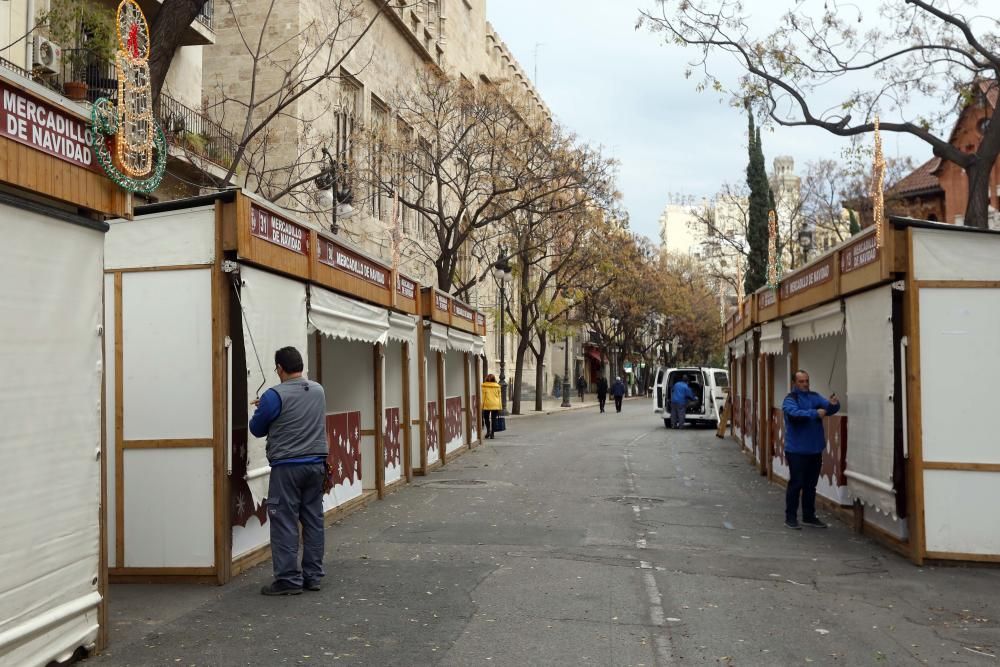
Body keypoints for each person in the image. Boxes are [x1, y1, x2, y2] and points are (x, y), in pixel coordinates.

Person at [249, 346, 329, 595]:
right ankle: (313, 576)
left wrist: (262, 407)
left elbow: (257, 428)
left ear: (279, 368)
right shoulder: (318, 390)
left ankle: (288, 579)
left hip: (287, 468)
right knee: (313, 520)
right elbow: (299, 409)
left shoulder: (273, 395)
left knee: (284, 521)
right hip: (316, 465)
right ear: (301, 366)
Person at [782, 369, 840, 530]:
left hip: (815, 449)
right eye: (801, 381)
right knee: (796, 484)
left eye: (807, 381)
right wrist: (815, 413)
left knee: (810, 485)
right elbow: (795, 415)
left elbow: (828, 408)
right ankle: (790, 517)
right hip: (796, 450)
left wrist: (834, 404)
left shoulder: (814, 396)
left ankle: (809, 516)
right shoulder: (790, 399)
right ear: (794, 383)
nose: (805, 384)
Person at [481, 373, 502, 439]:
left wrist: (482, 406)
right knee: (494, 419)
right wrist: (500, 407)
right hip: (495, 404)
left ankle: (488, 432)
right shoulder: (498, 386)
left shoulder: (484, 386)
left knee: (486, 418)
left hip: (487, 404)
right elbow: (499, 397)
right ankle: (492, 434)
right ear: (494, 379)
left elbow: (483, 397)